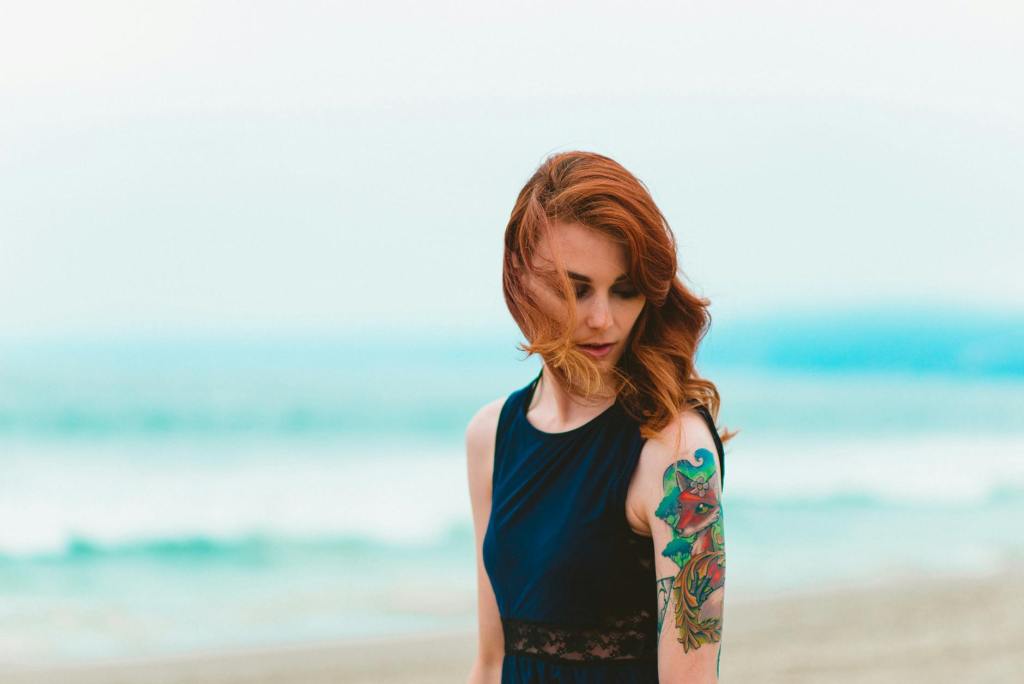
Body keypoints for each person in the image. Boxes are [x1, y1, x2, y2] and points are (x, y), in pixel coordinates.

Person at [466, 150, 737, 683]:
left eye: (625, 290)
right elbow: (491, 661)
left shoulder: (680, 454)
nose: (602, 319)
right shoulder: (491, 436)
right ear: (520, 275)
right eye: (576, 288)